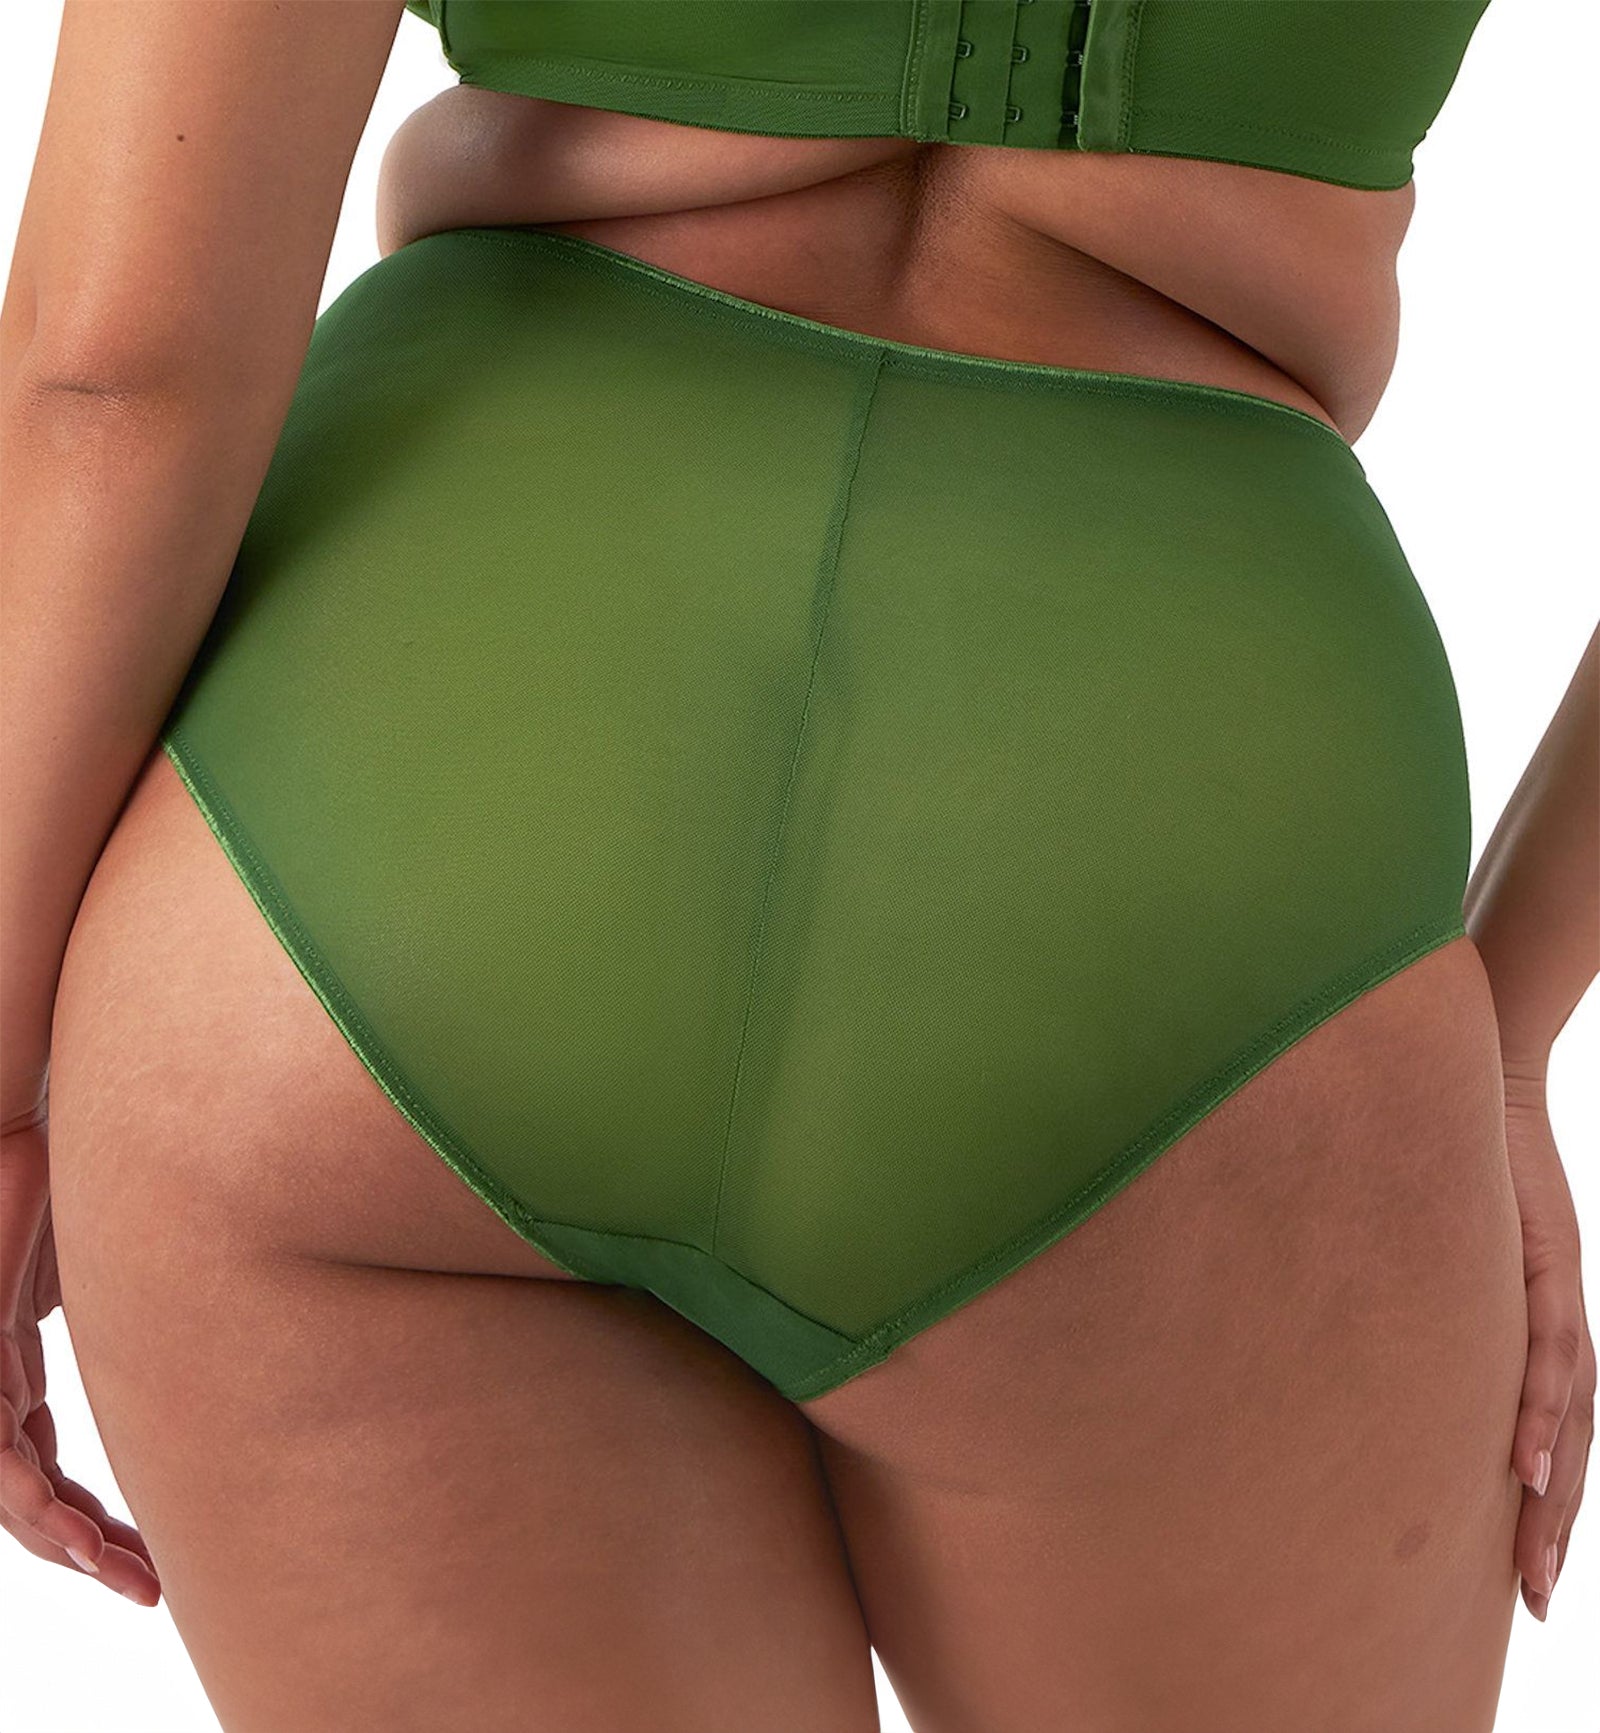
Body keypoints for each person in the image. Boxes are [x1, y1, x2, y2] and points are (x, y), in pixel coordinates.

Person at [1, 1, 1594, 1727]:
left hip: (377, 800)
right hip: (1185, 843)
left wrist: (4, 1083)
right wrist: (1506, 1026)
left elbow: (113, 381)